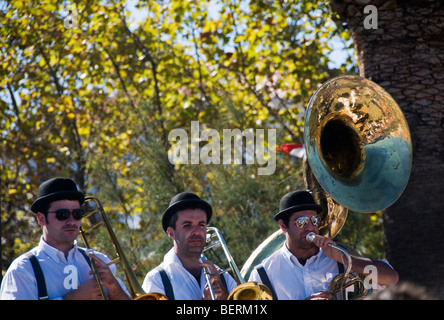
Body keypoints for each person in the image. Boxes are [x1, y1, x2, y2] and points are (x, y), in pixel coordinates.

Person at [248, 190, 399, 300]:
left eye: (314, 221)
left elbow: (391, 278)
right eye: (301, 222)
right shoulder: (264, 274)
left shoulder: (338, 258)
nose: (310, 227)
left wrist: (341, 257)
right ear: (283, 226)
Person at [0, 177, 130, 300]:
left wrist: (113, 286)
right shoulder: (23, 270)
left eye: (77, 214)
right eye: (62, 214)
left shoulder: (100, 260)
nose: (72, 221)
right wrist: (71, 298)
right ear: (41, 218)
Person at [142, 192, 237, 300]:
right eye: (187, 225)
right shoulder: (156, 279)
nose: (196, 231)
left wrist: (224, 296)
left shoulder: (222, 276)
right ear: (171, 233)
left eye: (201, 225)